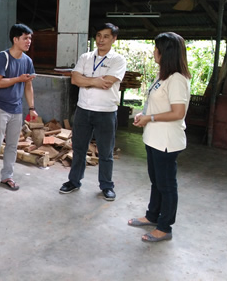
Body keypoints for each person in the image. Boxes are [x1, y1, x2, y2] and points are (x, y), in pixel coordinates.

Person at [129, 32, 191, 242]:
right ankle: (152, 215)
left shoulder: (177, 80)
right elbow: (155, 103)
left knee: (166, 185)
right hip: (153, 139)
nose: (154, 52)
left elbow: (178, 113)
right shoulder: (162, 76)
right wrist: (143, 115)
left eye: (157, 48)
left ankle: (165, 228)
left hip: (167, 141)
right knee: (156, 181)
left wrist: (150, 118)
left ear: (166, 53)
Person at [59, 23, 126, 201]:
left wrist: (86, 80)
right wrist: (95, 81)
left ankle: (106, 186)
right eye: (98, 35)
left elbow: (108, 82)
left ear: (114, 39)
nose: (101, 40)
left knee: (105, 151)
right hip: (83, 110)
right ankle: (74, 181)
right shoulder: (86, 57)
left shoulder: (118, 60)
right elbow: (74, 79)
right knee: (79, 148)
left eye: (106, 36)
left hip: (106, 112)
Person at [0, 24, 37, 194]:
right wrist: (18, 78)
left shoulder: (27, 61)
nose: (29, 41)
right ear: (15, 39)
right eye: (25, 38)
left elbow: (28, 86)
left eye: (30, 38)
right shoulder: (2, 57)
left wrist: (32, 108)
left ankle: (7, 176)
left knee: (12, 145)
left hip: (17, 109)